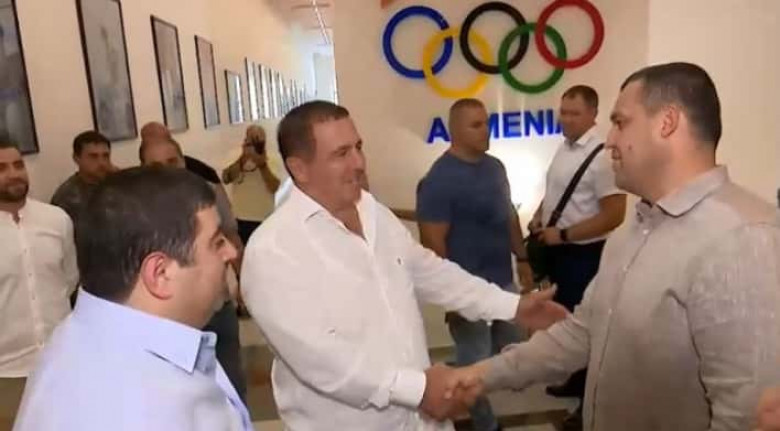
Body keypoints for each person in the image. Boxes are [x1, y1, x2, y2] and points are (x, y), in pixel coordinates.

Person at [441, 62, 780, 431]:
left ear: (667, 123)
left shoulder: (743, 239)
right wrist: (479, 376)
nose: (610, 140)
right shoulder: (634, 229)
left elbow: (747, 416)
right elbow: (583, 333)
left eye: (621, 122)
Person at [240, 100, 568, 430]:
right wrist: (419, 389)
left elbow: (430, 271)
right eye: (341, 154)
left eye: (358, 147)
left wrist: (512, 306)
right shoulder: (273, 251)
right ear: (299, 168)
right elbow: (321, 359)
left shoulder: (372, 211)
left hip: (423, 422)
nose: (359, 163)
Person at [13, 167, 253, 431]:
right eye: (217, 242)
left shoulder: (82, 338)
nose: (231, 252)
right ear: (161, 273)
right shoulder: (143, 409)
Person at [416, 98, 532, 431]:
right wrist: (451, 297)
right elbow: (433, 244)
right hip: (466, 291)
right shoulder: (438, 180)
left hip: (502, 281)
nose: (486, 131)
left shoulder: (495, 167)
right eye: (476, 125)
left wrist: (522, 258)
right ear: (455, 130)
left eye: (487, 123)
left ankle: (455, 373)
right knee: (474, 365)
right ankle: (485, 425)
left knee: (510, 349)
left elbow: (509, 215)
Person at [528, 86, 626, 429]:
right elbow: (557, 191)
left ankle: (589, 406)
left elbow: (614, 214)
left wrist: (565, 234)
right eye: (563, 112)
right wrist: (540, 215)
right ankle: (575, 380)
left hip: (584, 255)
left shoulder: (602, 156)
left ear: (593, 115)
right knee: (567, 322)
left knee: (587, 329)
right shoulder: (565, 147)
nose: (566, 119)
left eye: (574, 114)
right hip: (560, 252)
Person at [140, 138, 248, 401]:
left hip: (218, 309)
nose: (168, 170)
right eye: (156, 165)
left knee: (231, 388)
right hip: (170, 318)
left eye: (172, 161)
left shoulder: (208, 194)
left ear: (183, 161)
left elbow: (231, 237)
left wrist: (243, 281)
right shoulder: (137, 212)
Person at [0, 140, 78, 430]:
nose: (13, 174)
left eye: (18, 165)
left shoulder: (56, 220)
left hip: (61, 363)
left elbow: (69, 279)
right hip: (7, 374)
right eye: (1, 168)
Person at [222, 125, 281, 244]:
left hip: (264, 218)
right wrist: (242, 159)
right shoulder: (234, 156)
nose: (255, 144)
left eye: (259, 140)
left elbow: (274, 187)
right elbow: (226, 178)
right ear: (245, 139)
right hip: (240, 218)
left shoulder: (272, 159)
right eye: (252, 139)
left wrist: (262, 165)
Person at [51, 130, 116, 226]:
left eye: (105, 156)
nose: (101, 162)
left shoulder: (117, 183)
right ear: (76, 158)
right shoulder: (67, 196)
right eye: (93, 157)